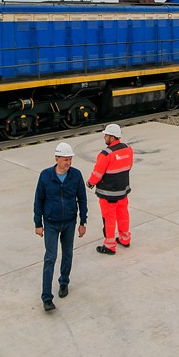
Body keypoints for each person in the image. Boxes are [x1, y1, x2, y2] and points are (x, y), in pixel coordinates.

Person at [33, 142, 87, 312]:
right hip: (50, 223)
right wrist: (38, 223)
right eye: (65, 159)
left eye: (70, 159)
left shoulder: (76, 175)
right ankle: (47, 297)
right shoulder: (45, 176)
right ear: (56, 158)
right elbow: (38, 200)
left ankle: (64, 282)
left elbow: (82, 199)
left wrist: (83, 222)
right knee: (50, 258)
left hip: (70, 222)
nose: (68, 163)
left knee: (68, 254)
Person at [87, 123, 133, 254]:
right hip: (123, 191)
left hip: (108, 195)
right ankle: (125, 239)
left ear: (112, 138)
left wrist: (90, 183)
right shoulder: (128, 149)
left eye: (106, 135)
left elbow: (97, 173)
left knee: (109, 219)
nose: (104, 137)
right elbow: (128, 166)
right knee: (123, 215)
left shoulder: (106, 154)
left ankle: (109, 245)